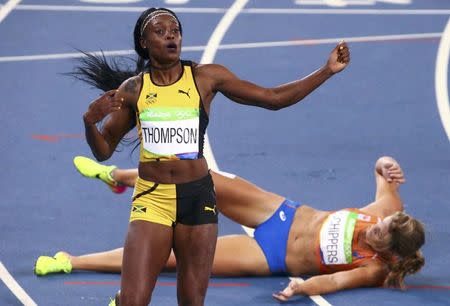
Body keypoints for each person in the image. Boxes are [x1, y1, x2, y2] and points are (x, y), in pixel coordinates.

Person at [74, 6, 350, 306]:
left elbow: (274, 99)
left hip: (198, 198)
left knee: (192, 301)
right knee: (133, 301)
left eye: (175, 31)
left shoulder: (205, 78)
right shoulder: (134, 89)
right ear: (144, 42)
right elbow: (103, 151)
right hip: (153, 199)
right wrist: (90, 123)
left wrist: (326, 71)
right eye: (161, 32)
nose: (171, 37)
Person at [35, 155, 425, 300]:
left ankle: (73, 260)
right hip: (280, 213)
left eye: (379, 234)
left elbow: (335, 284)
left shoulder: (373, 267)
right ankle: (116, 176)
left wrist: (303, 286)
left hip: (269, 255)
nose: (373, 227)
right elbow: (381, 170)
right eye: (381, 223)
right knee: (197, 173)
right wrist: (386, 165)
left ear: (390, 252)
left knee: (173, 257)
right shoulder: (387, 212)